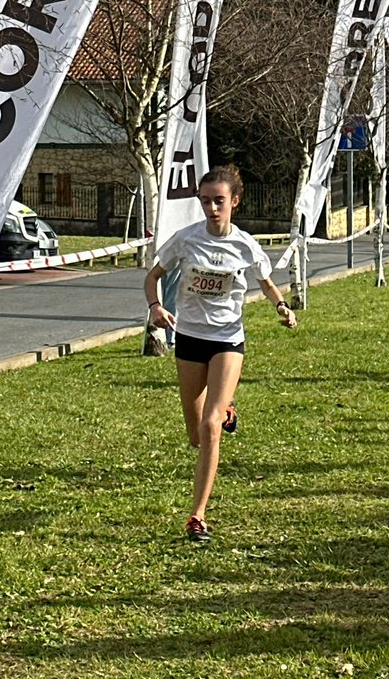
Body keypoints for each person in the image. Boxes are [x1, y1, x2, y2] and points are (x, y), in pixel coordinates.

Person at [144, 164, 296, 545]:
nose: (212, 209)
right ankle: (226, 409)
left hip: (228, 340)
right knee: (197, 435)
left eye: (219, 201)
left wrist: (282, 307)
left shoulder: (245, 244)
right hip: (190, 339)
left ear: (235, 202)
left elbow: (266, 282)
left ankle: (197, 515)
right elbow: (152, 276)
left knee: (212, 428)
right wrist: (155, 306)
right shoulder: (186, 239)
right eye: (206, 201)